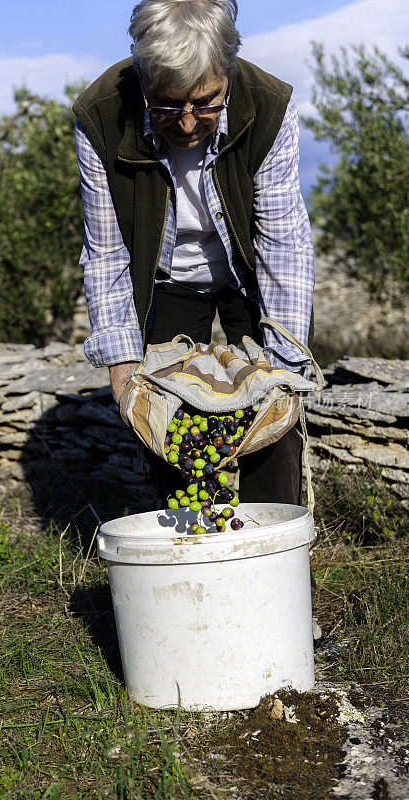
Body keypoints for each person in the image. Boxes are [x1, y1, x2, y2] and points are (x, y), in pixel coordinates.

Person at [73, 0, 314, 507]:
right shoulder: (98, 115)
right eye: (165, 106)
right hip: (166, 281)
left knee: (273, 422)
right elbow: (106, 250)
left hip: (247, 275)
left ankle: (269, 556)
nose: (186, 124)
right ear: (143, 79)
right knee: (171, 428)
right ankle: (189, 562)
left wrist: (286, 368)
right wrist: (122, 368)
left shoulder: (268, 104)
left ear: (227, 72)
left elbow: (282, 240)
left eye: (205, 103)